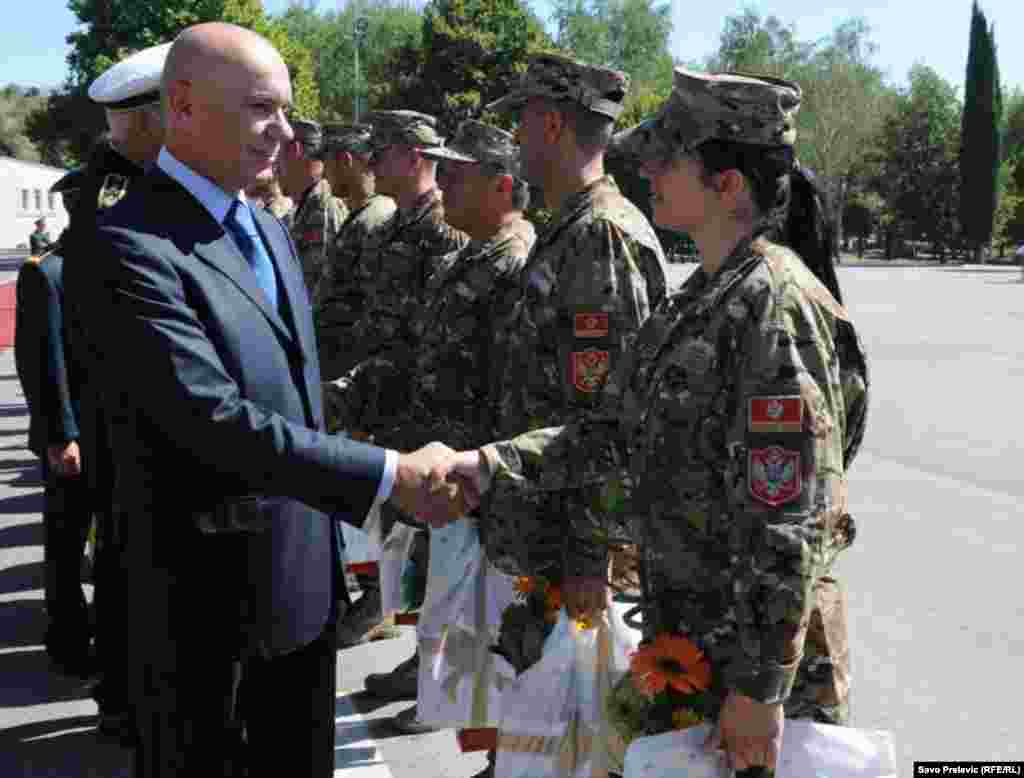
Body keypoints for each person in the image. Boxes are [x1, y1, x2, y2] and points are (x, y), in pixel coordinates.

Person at [442, 67, 870, 775]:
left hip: (748, 668)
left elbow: (790, 514)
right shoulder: (703, 296)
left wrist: (760, 688)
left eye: (668, 157)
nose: (646, 167)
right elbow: (613, 436)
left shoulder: (773, 304)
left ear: (728, 184)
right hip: (694, 645)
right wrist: (489, 464)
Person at [86, 23, 464, 777]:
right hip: (202, 613)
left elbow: (293, 395)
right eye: (263, 108)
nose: (285, 133)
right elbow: (211, 419)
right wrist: (390, 474)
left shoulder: (263, 227)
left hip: (301, 589)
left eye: (286, 110)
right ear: (185, 106)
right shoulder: (126, 244)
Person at [323, 120, 535, 735]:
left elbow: (513, 379)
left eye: (459, 174)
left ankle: (455, 701)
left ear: (499, 187)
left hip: (476, 461)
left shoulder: (515, 260)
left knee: (475, 597)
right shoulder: (474, 251)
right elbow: (421, 346)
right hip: (439, 449)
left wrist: (485, 465)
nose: (445, 184)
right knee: (441, 584)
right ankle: (435, 681)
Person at [61, 41, 172, 746]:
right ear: (150, 121)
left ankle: (127, 695)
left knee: (129, 561)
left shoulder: (109, 185)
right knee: (142, 567)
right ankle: (134, 700)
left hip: (116, 418)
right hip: (139, 425)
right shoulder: (129, 198)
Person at [14, 171, 92, 678]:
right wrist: (62, 434)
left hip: (110, 432)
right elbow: (42, 364)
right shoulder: (49, 272)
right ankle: (66, 638)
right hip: (71, 438)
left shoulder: (105, 266)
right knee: (65, 542)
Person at [314, 122, 396, 366]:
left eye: (326, 164)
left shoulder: (375, 218)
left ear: (345, 160)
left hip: (347, 360)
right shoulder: (363, 213)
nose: (324, 174)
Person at [277, 118, 347, 294]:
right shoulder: (308, 204)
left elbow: (319, 289)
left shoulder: (324, 205)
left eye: (278, 152)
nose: (274, 164)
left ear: (295, 150)